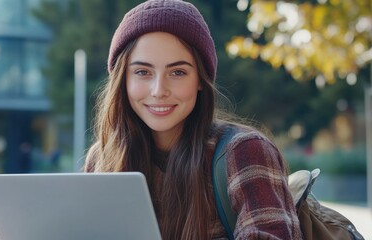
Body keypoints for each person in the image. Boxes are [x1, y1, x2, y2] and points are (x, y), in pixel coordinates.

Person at [84, 0, 302, 239]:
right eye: (142, 72)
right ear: (122, 80)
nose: (159, 90)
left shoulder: (243, 152)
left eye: (177, 72)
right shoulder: (104, 157)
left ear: (200, 79)